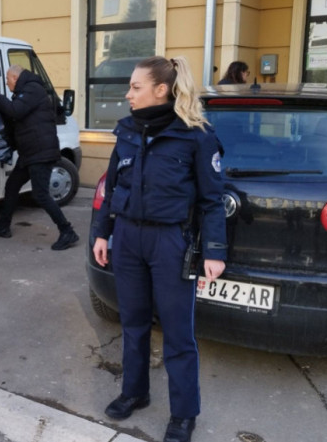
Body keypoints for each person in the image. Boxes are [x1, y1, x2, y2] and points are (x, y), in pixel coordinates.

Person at [92, 56, 227, 442]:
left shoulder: (196, 135)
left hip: (171, 242)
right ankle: (135, 392)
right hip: (128, 240)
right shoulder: (128, 131)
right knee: (132, 323)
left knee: (178, 334)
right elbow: (113, 188)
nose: (128, 93)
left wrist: (214, 251)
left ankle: (184, 413)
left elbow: (211, 201)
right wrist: (103, 234)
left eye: (135, 87)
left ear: (160, 90)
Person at [0, 65, 80, 251]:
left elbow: (15, 111)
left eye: (7, 80)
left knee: (40, 194)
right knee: (11, 186)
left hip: (40, 153)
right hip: (30, 153)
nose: (6, 83)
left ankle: (67, 231)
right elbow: (17, 121)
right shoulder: (23, 93)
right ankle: (3, 226)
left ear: (15, 78)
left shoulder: (34, 89)